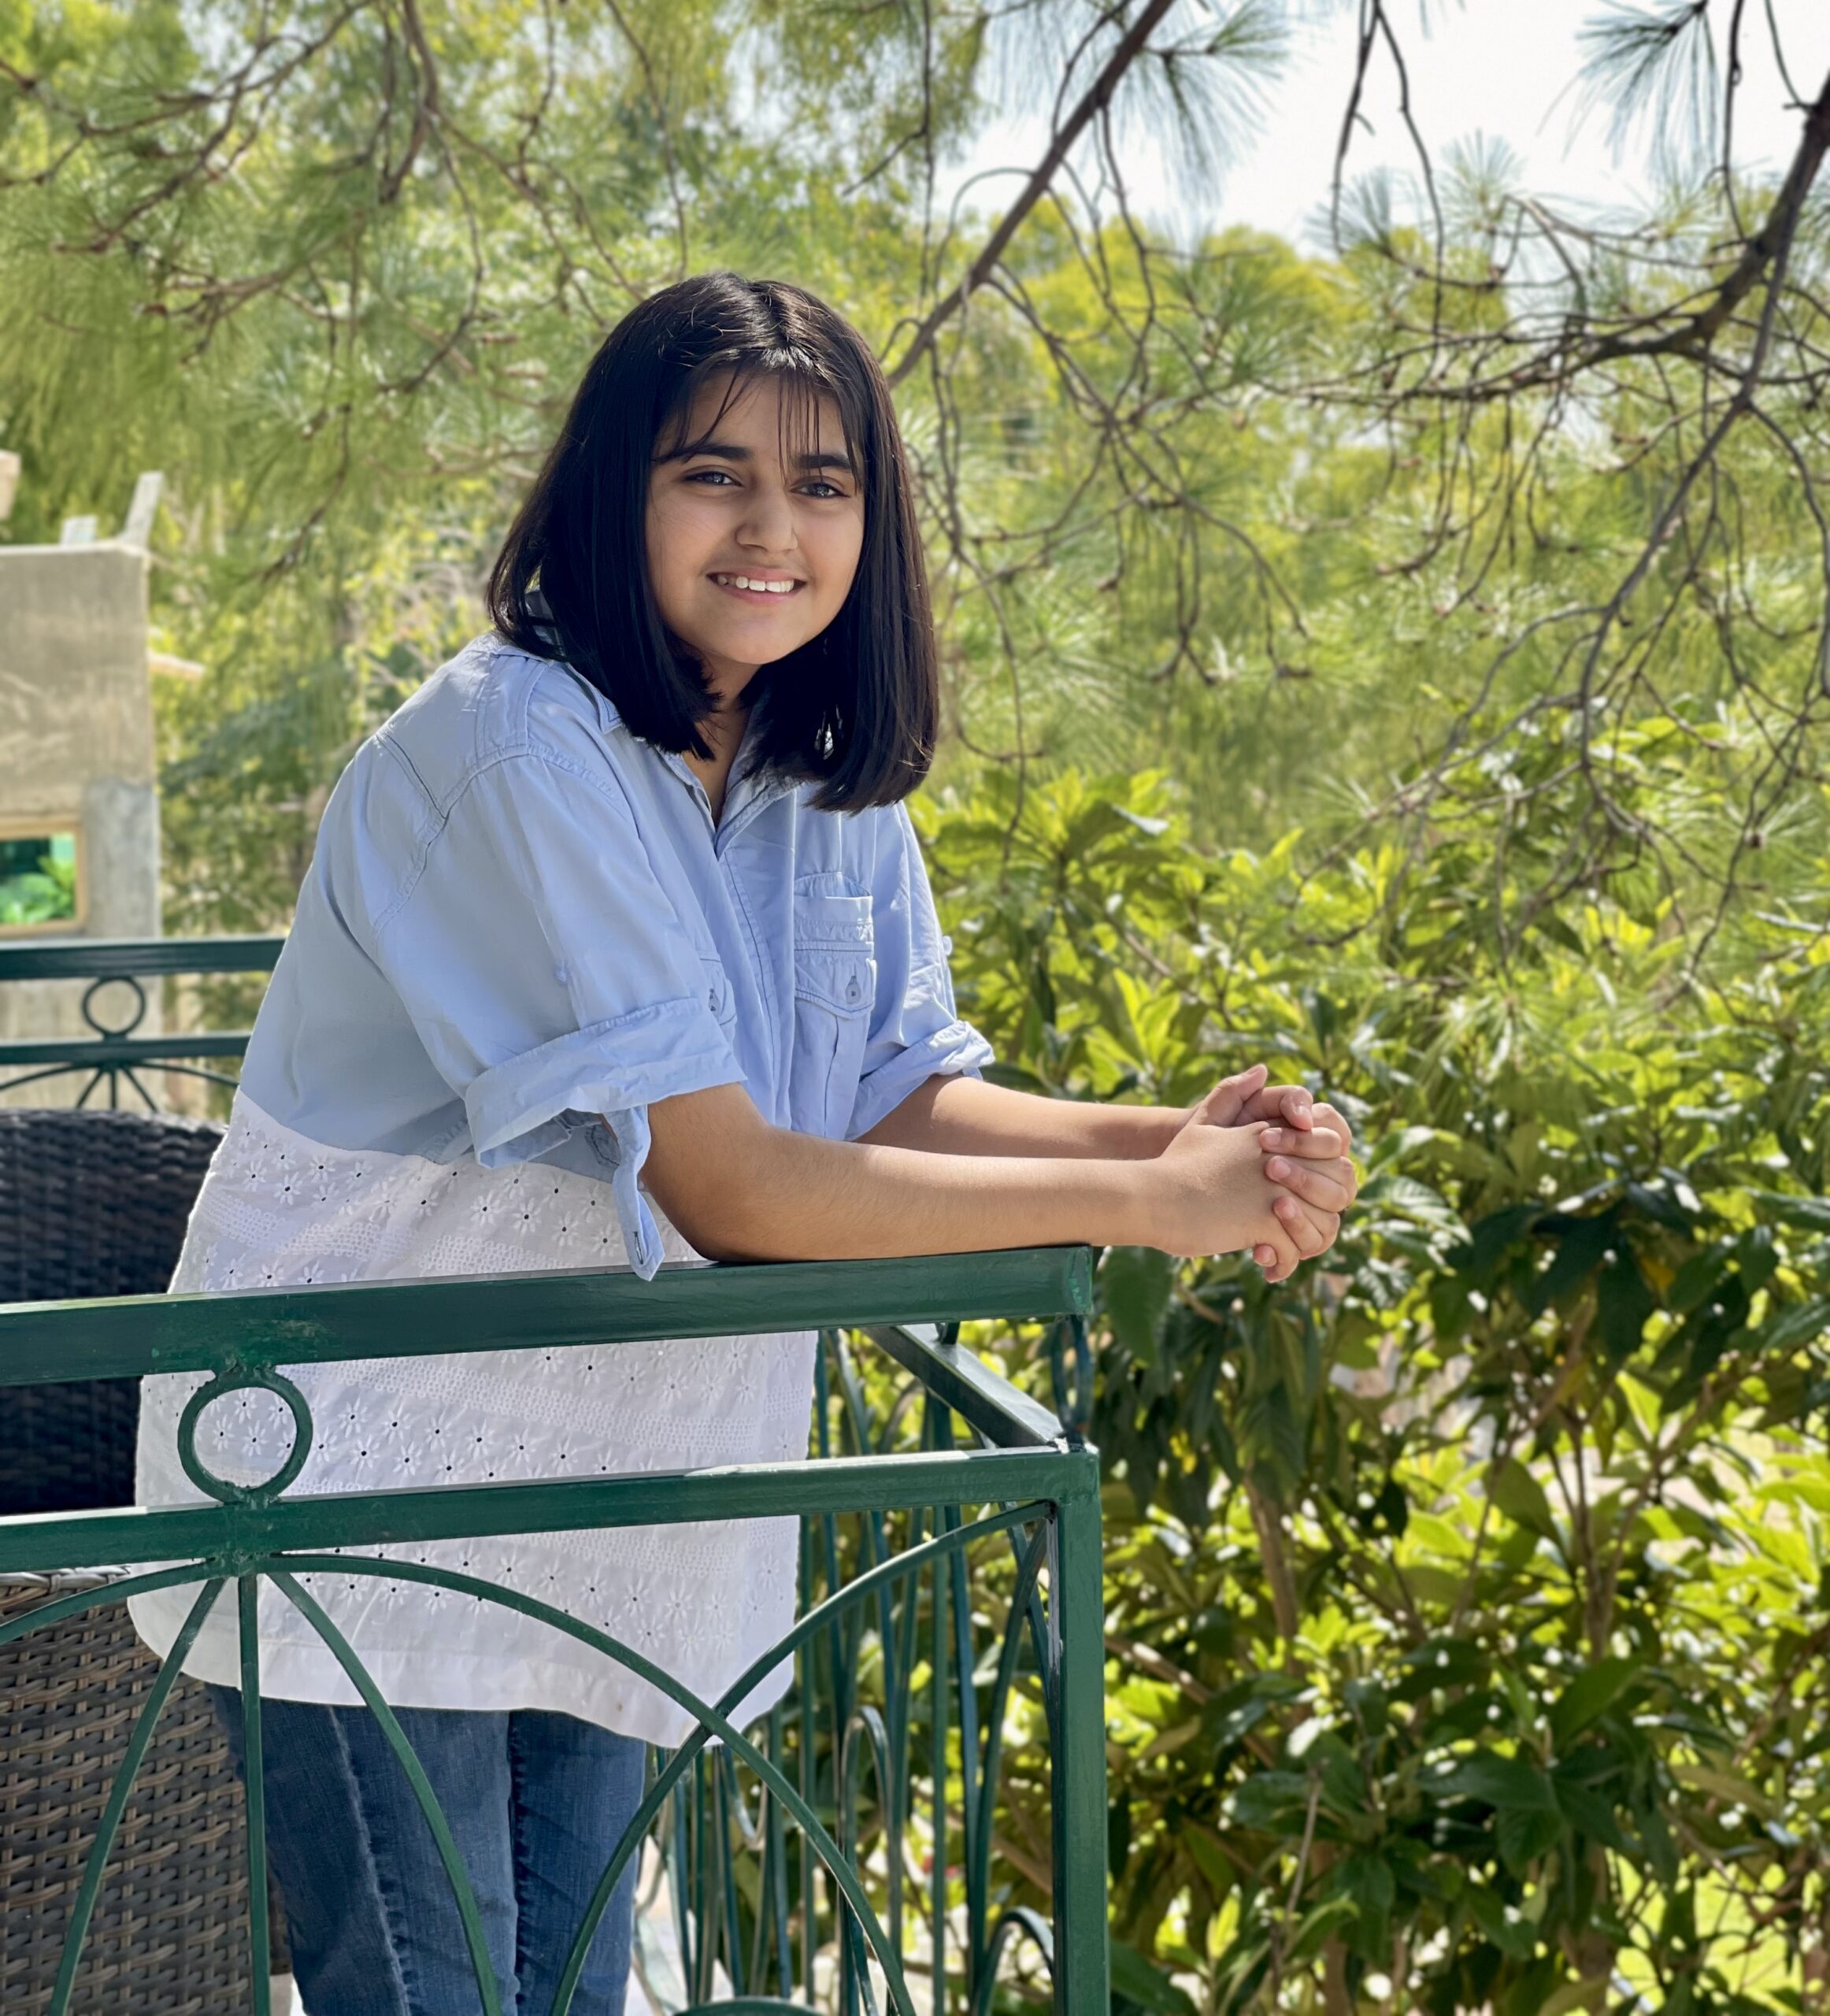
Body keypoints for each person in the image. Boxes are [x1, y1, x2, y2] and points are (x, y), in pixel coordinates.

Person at [131, 271, 1359, 2016]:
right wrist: (1154, 1201)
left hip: (613, 1480)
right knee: (435, 1992)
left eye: (824, 481)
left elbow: (884, 1091)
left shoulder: (811, 772)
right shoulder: (506, 746)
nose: (773, 525)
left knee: (561, 1992)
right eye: (713, 473)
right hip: (355, 1470)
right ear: (610, 494)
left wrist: (1186, 1134)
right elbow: (722, 1179)